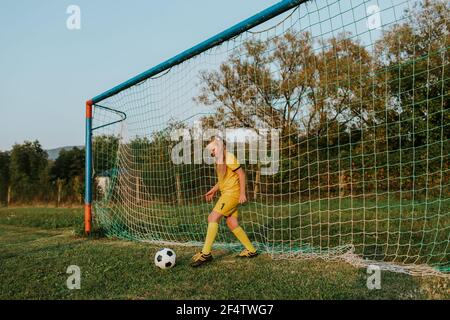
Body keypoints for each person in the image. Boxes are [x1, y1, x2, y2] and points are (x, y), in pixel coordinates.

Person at [191, 137, 258, 267]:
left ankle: (206, 254)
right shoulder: (221, 160)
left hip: (231, 195)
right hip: (227, 194)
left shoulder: (229, 157)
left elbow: (241, 174)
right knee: (232, 223)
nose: (212, 154)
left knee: (212, 217)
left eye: (213, 150)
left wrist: (243, 194)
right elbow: (224, 180)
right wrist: (214, 190)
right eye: (211, 152)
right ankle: (251, 250)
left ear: (221, 146)